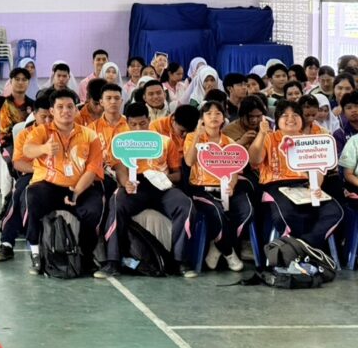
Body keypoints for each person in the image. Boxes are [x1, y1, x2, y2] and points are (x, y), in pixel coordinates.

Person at [96, 101, 195, 279]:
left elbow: (178, 174)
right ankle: (113, 262)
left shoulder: (165, 141)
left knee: (185, 204)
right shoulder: (121, 142)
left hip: (162, 186)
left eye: (142, 123)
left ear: (149, 120)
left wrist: (164, 178)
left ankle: (180, 261)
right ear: (127, 123)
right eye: (133, 124)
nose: (138, 128)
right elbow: (119, 168)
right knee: (116, 201)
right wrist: (125, 183)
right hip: (135, 185)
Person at [22, 88, 105, 275]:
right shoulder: (41, 131)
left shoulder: (90, 135)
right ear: (52, 111)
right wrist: (43, 149)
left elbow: (92, 169)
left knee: (93, 208)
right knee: (32, 195)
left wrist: (76, 192)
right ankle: (35, 252)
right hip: (49, 186)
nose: (65, 111)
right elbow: (27, 150)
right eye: (60, 107)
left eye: (69, 106)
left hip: (80, 187)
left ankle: (86, 254)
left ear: (76, 110)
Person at [248, 101, 344, 250]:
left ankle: (303, 247)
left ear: (301, 118)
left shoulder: (310, 140)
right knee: (286, 216)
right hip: (276, 186)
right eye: (285, 115)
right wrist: (261, 133)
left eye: (295, 115)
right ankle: (301, 251)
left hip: (306, 186)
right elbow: (254, 160)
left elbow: (318, 169)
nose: (291, 119)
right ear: (277, 120)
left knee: (334, 212)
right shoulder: (269, 138)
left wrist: (316, 186)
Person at [182, 101, 252, 272]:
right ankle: (228, 252)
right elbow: (189, 161)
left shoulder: (229, 142)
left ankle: (217, 245)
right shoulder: (192, 137)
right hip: (201, 189)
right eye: (208, 113)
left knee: (247, 211)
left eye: (218, 113)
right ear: (202, 119)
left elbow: (234, 170)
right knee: (217, 212)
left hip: (226, 188)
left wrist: (232, 185)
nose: (213, 116)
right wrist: (197, 136)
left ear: (223, 118)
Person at [0, 94, 52, 262]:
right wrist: (40, 169)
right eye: (43, 116)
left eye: (51, 116)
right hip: (32, 174)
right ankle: (6, 243)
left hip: (58, 177)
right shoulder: (25, 134)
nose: (48, 121)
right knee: (18, 194)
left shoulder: (60, 132)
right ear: (34, 114)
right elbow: (18, 163)